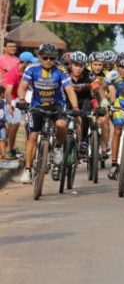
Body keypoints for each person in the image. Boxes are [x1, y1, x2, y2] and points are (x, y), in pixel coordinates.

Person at [16, 43, 80, 184]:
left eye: (52, 58)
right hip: (37, 106)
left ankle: (58, 148)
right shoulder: (32, 68)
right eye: (45, 58)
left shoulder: (60, 69)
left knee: (62, 125)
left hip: (57, 106)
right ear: (39, 57)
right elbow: (22, 86)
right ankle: (28, 170)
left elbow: (69, 90)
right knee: (32, 135)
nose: (48, 61)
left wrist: (75, 107)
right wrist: (21, 100)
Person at [3, 52, 38, 159]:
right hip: (11, 98)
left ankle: (23, 149)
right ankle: (9, 149)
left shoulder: (27, 71)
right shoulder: (14, 72)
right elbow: (7, 91)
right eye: (31, 63)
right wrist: (10, 106)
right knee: (15, 124)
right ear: (25, 63)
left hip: (20, 96)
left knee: (28, 123)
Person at [0, 86, 8, 159]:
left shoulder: (3, 102)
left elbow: (4, 114)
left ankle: (3, 154)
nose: (5, 95)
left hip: (2, 125)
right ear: (1, 93)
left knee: (3, 139)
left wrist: (6, 124)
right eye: (4, 93)